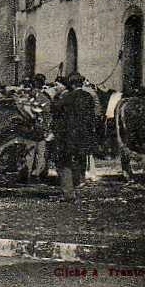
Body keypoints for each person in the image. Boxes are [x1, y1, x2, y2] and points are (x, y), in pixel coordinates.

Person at [50, 73, 97, 203]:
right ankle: (77, 187)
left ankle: (68, 193)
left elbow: (54, 108)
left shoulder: (69, 97)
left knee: (64, 162)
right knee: (79, 161)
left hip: (69, 135)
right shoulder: (89, 97)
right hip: (84, 135)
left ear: (71, 84)